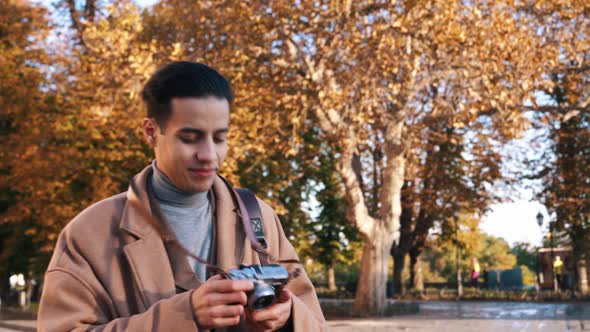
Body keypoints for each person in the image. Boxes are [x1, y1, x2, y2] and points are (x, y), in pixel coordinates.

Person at [37, 61, 326, 331]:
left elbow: (314, 320)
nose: (209, 155)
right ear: (151, 132)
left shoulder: (259, 217)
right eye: (190, 138)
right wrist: (183, 315)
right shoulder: (88, 233)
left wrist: (288, 318)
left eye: (220, 138)